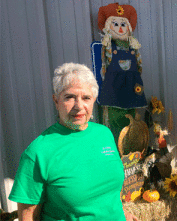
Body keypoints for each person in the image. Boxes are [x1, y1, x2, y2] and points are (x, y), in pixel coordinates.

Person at [8, 63, 138, 221]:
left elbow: (108, 190)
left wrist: (121, 213)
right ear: (56, 101)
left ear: (94, 100)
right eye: (69, 97)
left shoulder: (104, 134)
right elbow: (28, 215)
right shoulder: (38, 152)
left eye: (86, 98)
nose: (79, 106)